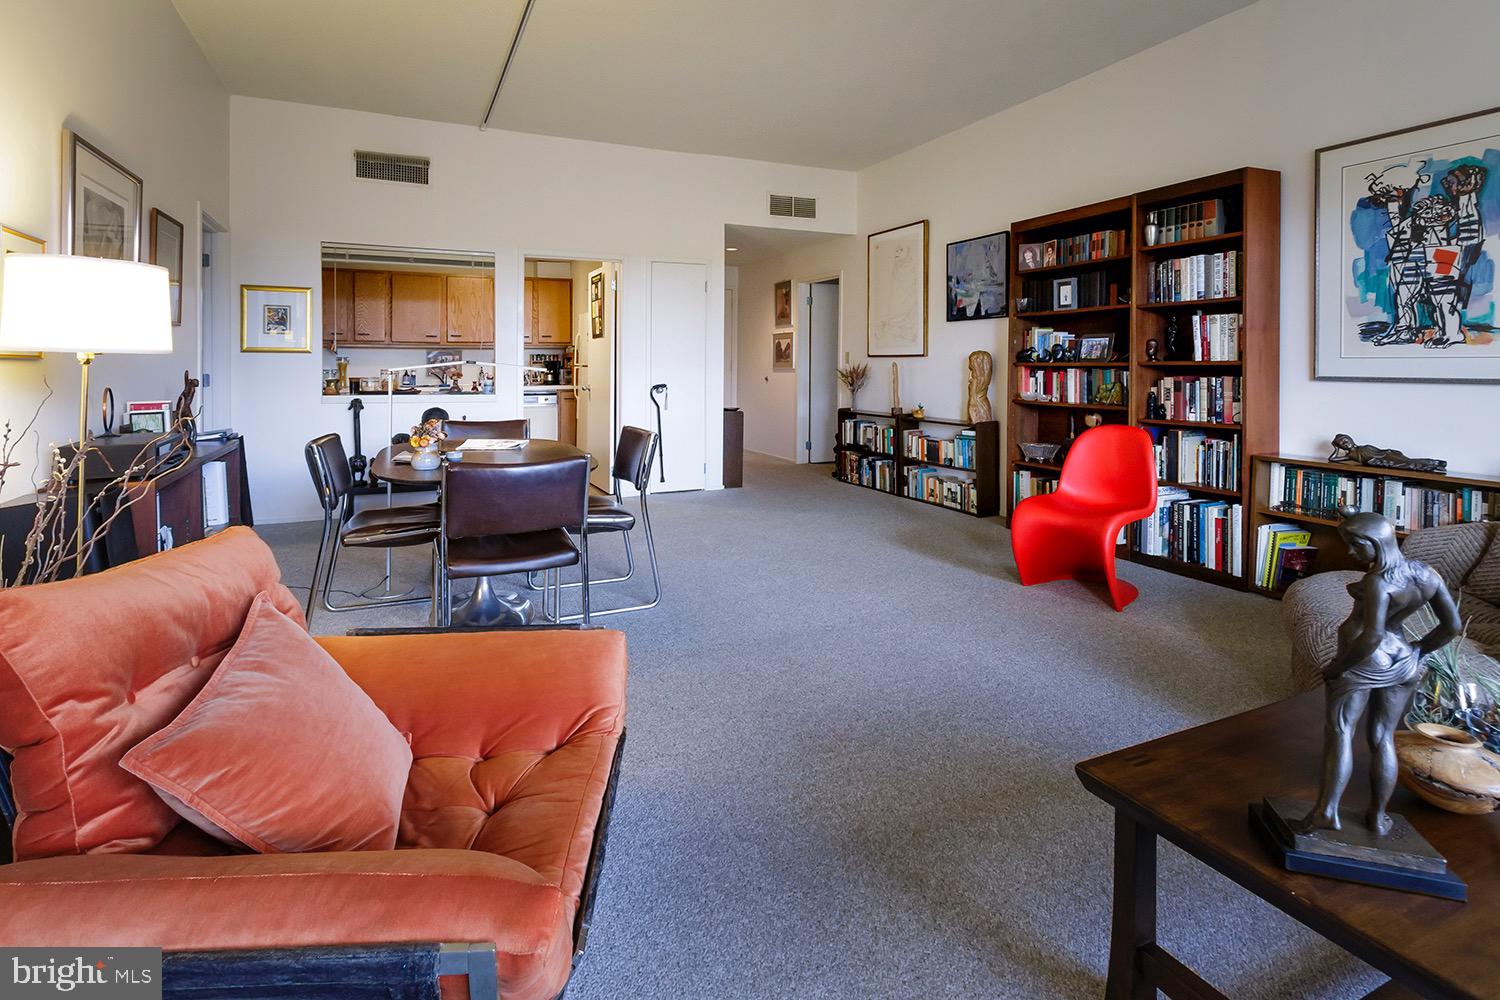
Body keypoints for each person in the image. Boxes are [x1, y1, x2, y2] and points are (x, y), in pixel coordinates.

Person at [1298, 510, 1461, 836]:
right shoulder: (1427, 574)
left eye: (1356, 546)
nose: (1351, 553)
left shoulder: (1378, 582)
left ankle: (1326, 813)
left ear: (1375, 542)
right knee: (1382, 737)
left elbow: (1371, 636)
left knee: (1341, 732)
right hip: (1403, 660)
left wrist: (1338, 667)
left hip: (1364, 663)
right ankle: (1378, 817)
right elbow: (1451, 626)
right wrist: (1418, 650)